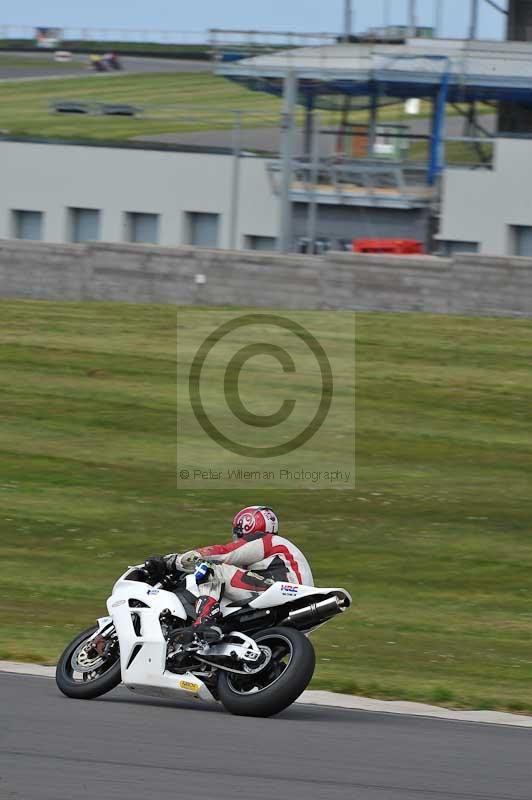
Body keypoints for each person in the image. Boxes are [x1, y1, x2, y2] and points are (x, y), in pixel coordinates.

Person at [144, 505, 313, 645]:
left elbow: (223, 553)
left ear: (246, 527)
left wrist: (173, 561)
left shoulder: (267, 541)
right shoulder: (275, 554)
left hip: (279, 592)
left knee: (211, 567)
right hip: (293, 608)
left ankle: (205, 620)